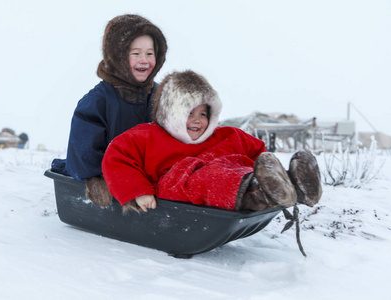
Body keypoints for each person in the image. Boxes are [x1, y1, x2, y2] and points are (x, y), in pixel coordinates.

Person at [102, 70, 322, 213]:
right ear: (172, 113)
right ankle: (262, 192)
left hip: (234, 178)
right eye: (189, 113)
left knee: (236, 165)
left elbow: (259, 154)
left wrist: (270, 168)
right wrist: (138, 191)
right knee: (208, 178)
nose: (198, 121)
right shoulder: (145, 136)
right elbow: (116, 158)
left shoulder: (226, 135)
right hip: (177, 185)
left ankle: (295, 185)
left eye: (204, 114)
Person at [51, 14, 168, 206]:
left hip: (148, 177)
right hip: (112, 175)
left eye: (149, 53)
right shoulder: (97, 101)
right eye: (135, 53)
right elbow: (84, 155)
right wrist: (115, 181)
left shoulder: (159, 96)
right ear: (118, 56)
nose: (144, 60)